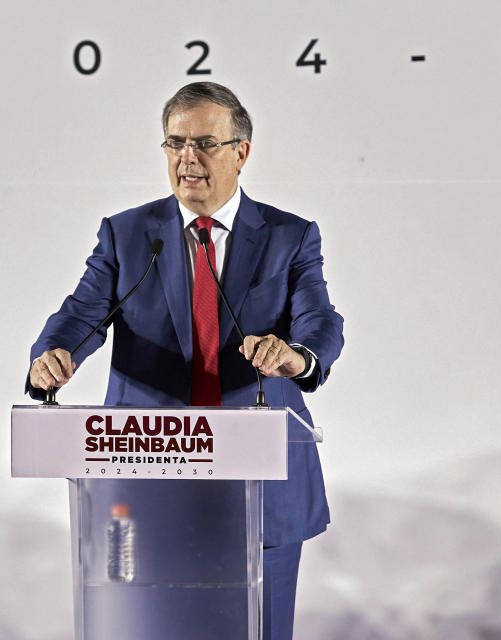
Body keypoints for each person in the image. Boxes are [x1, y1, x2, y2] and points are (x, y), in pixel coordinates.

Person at [25, 82, 344, 640]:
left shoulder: (289, 237)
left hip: (260, 483)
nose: (186, 159)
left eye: (204, 143)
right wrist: (52, 355)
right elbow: (82, 314)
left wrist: (296, 357)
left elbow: (320, 320)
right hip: (148, 476)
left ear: (241, 151)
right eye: (174, 143)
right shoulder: (127, 234)